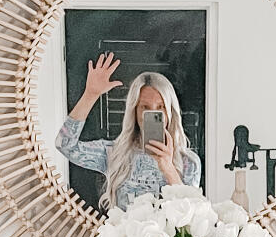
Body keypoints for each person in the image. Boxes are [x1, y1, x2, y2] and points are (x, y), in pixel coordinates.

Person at [56, 56, 201, 210]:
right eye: (144, 107)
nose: (152, 112)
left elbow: (193, 216)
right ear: (134, 111)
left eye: (160, 107)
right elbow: (65, 144)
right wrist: (90, 94)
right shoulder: (114, 153)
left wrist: (168, 168)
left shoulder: (188, 162)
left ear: (170, 111)